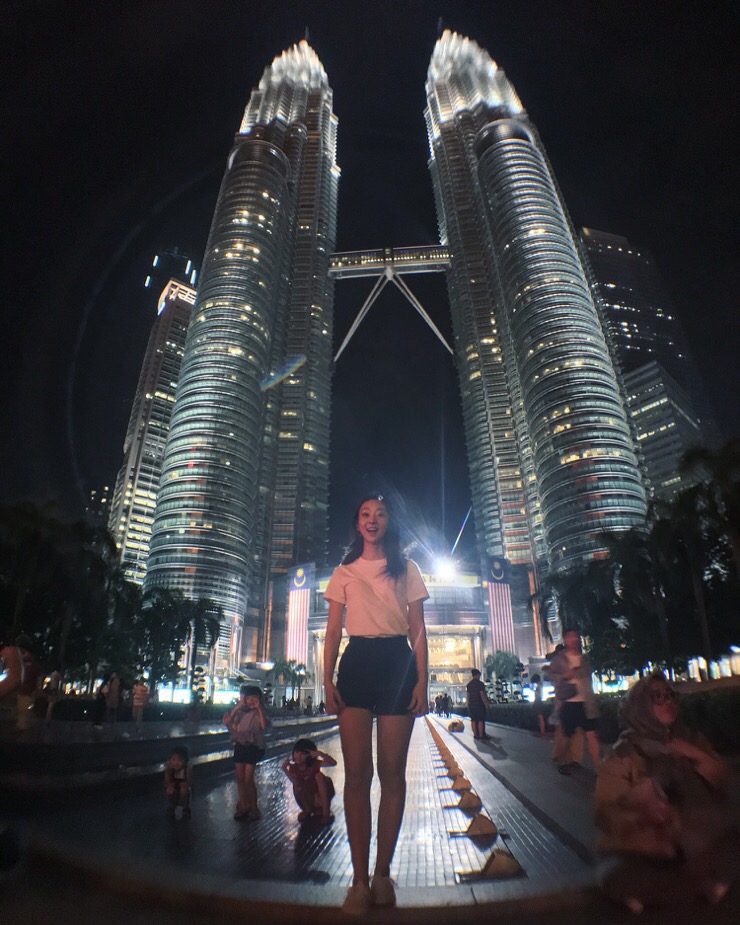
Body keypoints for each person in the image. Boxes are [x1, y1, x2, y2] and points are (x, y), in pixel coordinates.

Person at [323, 494, 429, 914]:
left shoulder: (407, 569)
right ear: (357, 523)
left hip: (396, 663)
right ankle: (358, 880)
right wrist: (326, 679)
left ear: (388, 523)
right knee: (356, 775)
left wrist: (422, 678)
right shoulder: (344, 572)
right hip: (356, 663)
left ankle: (383, 874)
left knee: (392, 774)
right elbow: (333, 632)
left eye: (380, 514)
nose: (372, 520)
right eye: (365, 514)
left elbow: (418, 628)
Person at [594, 671, 738, 914]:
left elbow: (726, 784)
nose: (667, 702)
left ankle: (680, 887)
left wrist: (695, 755)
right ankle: (698, 885)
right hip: (649, 850)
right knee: (612, 874)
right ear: (640, 706)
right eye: (657, 697)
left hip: (701, 840)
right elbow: (604, 813)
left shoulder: (692, 740)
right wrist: (642, 810)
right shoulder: (623, 754)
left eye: (670, 695)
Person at [547, 629, 600, 773]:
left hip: (586, 702)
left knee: (591, 735)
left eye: (575, 637)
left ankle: (598, 767)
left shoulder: (584, 658)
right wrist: (563, 676)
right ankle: (563, 762)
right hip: (568, 702)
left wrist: (575, 672)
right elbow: (550, 675)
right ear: (565, 640)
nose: (573, 640)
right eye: (570, 637)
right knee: (567, 735)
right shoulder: (559, 659)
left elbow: (587, 673)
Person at [223, 685, 271, 821]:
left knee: (248, 779)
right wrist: (237, 707)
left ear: (259, 699)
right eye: (248, 698)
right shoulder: (240, 712)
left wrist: (259, 709)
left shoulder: (259, 713)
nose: (251, 701)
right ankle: (244, 806)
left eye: (254, 698)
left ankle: (254, 807)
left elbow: (263, 726)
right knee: (240, 778)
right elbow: (230, 723)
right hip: (240, 745)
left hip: (252, 747)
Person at [281, 737, 337, 823]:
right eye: (296, 752)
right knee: (297, 783)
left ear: (309, 755)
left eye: (302, 754)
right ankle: (307, 809)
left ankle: (325, 811)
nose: (298, 756)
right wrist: (285, 769)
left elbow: (333, 763)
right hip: (309, 796)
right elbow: (295, 783)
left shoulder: (314, 764)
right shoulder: (294, 768)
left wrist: (320, 754)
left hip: (320, 795)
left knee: (319, 776)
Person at [164, 745, 192, 817]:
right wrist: (170, 786)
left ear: (185, 761)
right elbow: (167, 782)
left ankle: (185, 808)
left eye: (179, 760)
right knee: (170, 791)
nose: (176, 763)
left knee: (185, 792)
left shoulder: (186, 769)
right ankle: (172, 806)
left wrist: (183, 787)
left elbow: (187, 782)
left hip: (183, 786)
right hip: (174, 786)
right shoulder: (170, 769)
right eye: (173, 760)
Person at [466, 668, 489, 739]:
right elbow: (482, 695)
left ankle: (475, 734)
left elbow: (468, 695)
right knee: (480, 720)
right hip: (479, 705)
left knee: (473, 720)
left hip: (472, 705)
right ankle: (481, 735)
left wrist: (468, 704)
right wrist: (486, 704)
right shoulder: (480, 684)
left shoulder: (469, 684)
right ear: (478, 675)